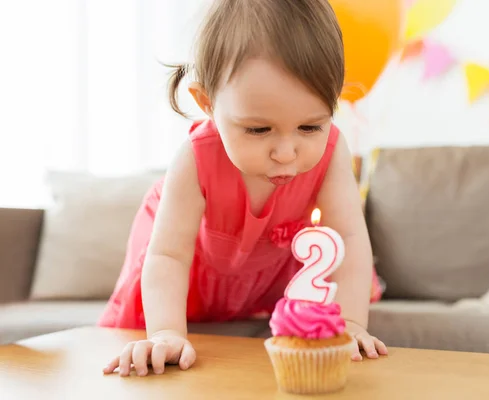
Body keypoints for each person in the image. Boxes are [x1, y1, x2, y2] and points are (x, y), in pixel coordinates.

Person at [100, 0, 387, 377]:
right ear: (207, 103)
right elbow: (168, 256)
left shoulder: (332, 152)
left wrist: (350, 323)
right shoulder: (194, 158)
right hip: (193, 269)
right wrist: (166, 332)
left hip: (267, 268)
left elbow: (347, 239)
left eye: (310, 127)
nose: (286, 154)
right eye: (258, 129)